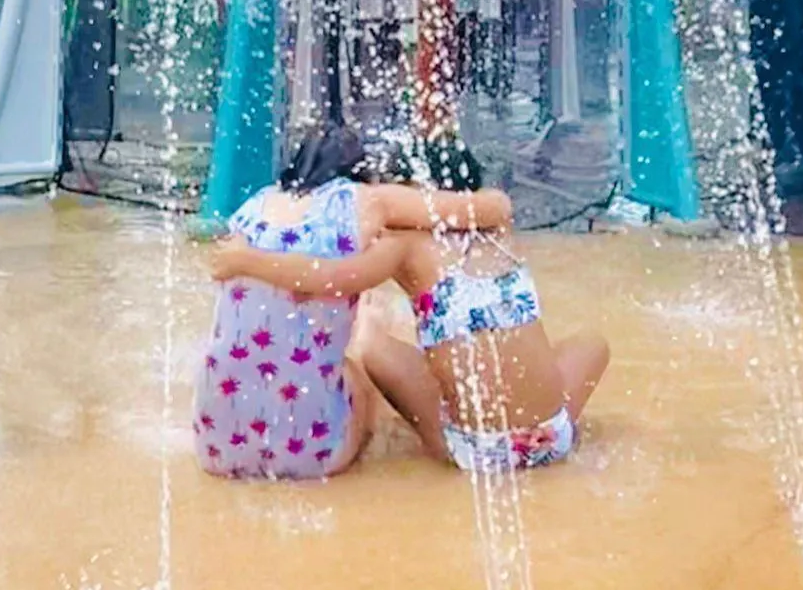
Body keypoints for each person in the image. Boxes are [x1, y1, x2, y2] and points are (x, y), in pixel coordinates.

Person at [209, 154, 610, 473]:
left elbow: (327, 279)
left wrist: (246, 262)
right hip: (552, 437)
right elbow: (499, 203)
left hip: (475, 452)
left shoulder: (400, 244)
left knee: (371, 346)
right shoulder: (496, 227)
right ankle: (531, 419)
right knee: (592, 343)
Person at [194, 127, 512, 480]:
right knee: (356, 371)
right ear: (360, 170)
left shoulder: (252, 208)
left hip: (214, 446)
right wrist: (496, 200)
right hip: (315, 457)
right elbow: (486, 211)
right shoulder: (364, 200)